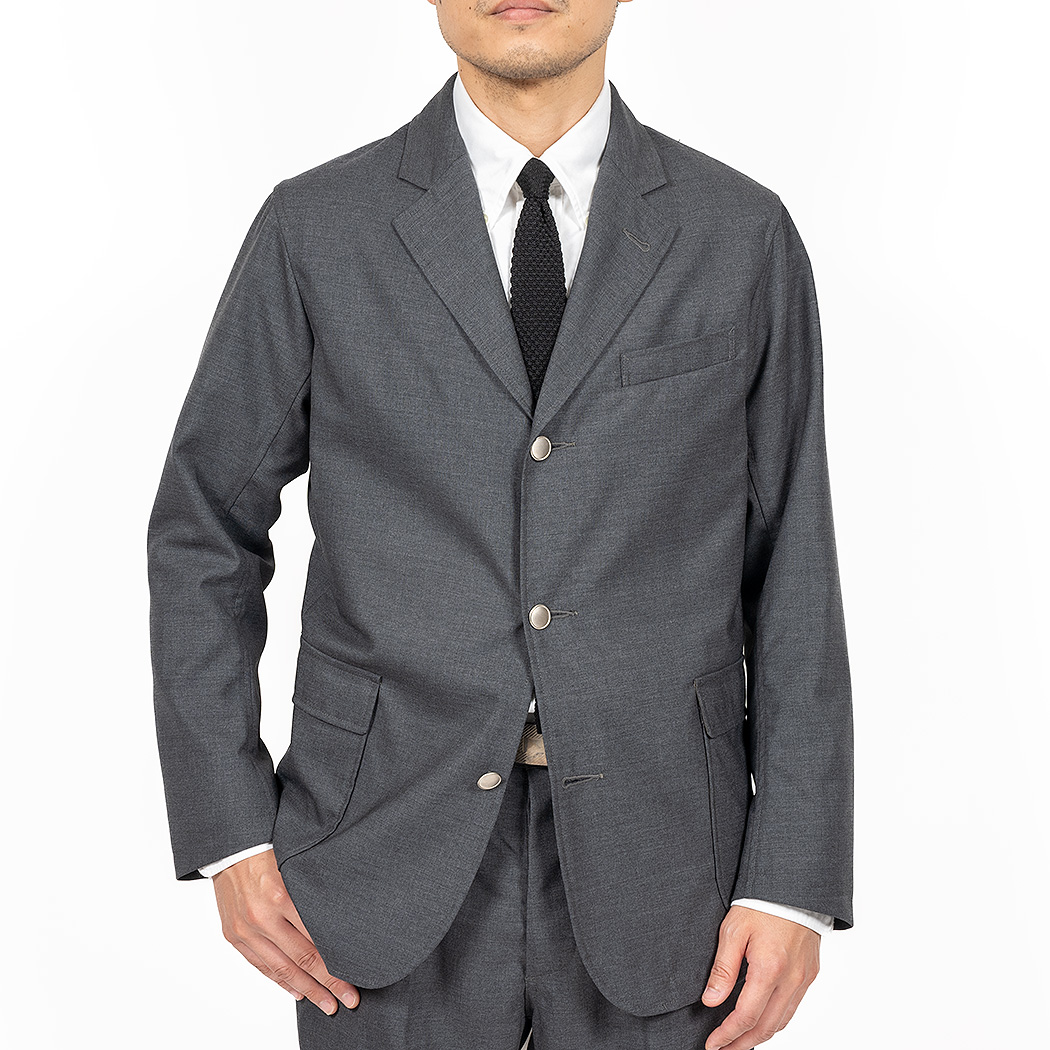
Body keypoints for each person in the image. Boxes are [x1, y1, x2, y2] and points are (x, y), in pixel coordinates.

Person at [147, 2, 854, 1048]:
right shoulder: (316, 228)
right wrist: (231, 834)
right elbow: (203, 525)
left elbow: (795, 557)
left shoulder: (739, 233)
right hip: (375, 853)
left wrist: (792, 878)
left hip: (671, 866)